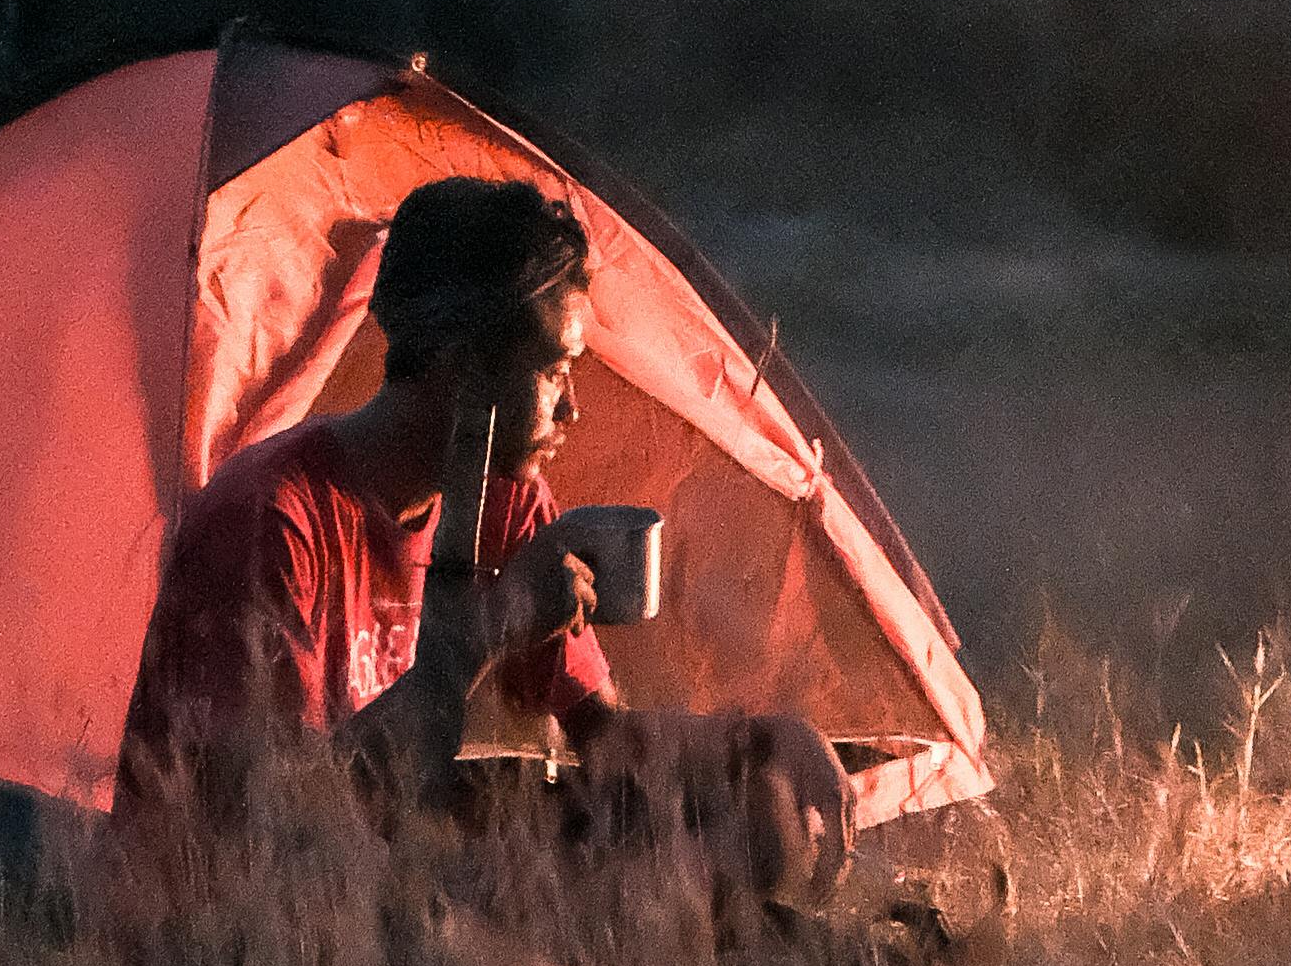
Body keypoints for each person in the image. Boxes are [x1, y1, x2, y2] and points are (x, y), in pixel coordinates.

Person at [120, 170, 852, 904]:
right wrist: (482, 629)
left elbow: (605, 739)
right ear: (461, 367)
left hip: (398, 858)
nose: (570, 408)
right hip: (264, 911)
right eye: (553, 370)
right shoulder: (271, 521)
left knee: (745, 809)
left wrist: (759, 742)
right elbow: (261, 827)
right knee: (430, 911)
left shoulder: (506, 497)